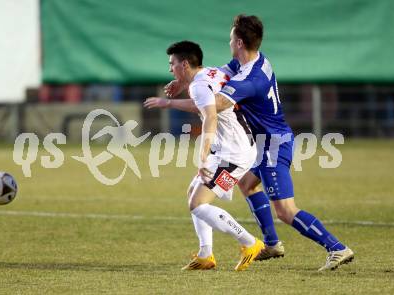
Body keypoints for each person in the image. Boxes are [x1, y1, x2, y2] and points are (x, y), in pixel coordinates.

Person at [144, 15, 354, 271]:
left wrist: (182, 97)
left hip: (272, 145)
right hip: (262, 142)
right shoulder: (253, 61)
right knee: (246, 184)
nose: (229, 42)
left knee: (286, 211)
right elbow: (216, 76)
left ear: (240, 42)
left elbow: (211, 108)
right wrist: (186, 80)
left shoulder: (249, 81)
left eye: (231, 39)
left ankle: (336, 248)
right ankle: (272, 243)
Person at [151, 40, 264, 271]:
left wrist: (202, 158)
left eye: (172, 64)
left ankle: (250, 243)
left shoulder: (199, 86)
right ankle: (205, 255)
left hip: (234, 152)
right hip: (229, 147)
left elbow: (210, 117)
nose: (170, 69)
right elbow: (203, 105)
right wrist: (171, 97)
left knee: (198, 204)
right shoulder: (212, 72)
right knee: (193, 193)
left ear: (184, 64)